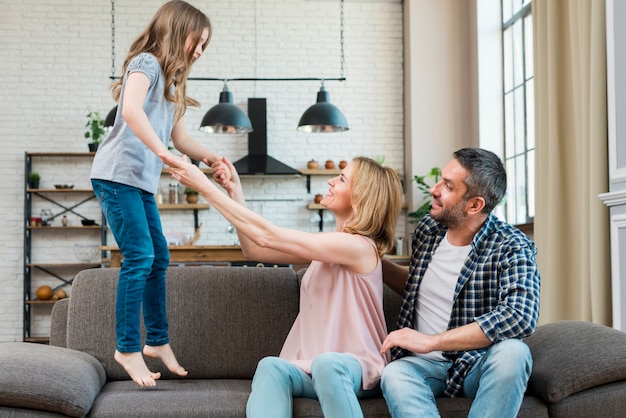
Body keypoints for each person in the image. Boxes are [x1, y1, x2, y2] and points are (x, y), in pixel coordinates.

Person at [160, 152, 403, 418]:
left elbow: (267, 236)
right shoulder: (330, 247)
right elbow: (255, 249)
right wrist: (234, 191)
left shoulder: (358, 247)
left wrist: (203, 186)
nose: (332, 181)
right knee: (271, 367)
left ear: (361, 199)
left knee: (328, 364)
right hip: (314, 366)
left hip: (358, 367)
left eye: (342, 179)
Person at [90, 1, 227, 387]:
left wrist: (214, 157)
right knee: (140, 256)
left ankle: (158, 341)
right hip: (116, 176)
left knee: (159, 257)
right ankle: (127, 348)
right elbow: (130, 111)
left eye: (205, 46)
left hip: (140, 182)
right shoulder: (146, 63)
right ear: (176, 29)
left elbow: (180, 138)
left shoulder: (173, 81)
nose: (199, 51)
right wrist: (163, 154)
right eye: (196, 42)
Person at [379, 147, 540, 418]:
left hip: (474, 364)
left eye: (447, 186)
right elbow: (417, 285)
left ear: (474, 205)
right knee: (395, 372)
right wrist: (369, 261)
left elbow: (520, 315)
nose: (434, 189)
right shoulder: (428, 231)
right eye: (440, 179)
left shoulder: (512, 246)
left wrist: (432, 341)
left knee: (514, 352)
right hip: (421, 368)